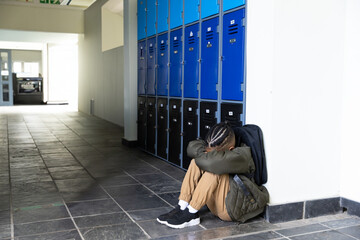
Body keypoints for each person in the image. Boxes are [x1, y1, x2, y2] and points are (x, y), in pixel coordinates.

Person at [156, 122, 257, 229]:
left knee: (214, 171)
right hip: (214, 205)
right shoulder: (216, 148)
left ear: (230, 149)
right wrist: (205, 152)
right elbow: (192, 147)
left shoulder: (241, 156)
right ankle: (182, 205)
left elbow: (212, 163)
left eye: (213, 153)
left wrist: (205, 154)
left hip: (231, 211)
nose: (208, 154)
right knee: (196, 161)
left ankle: (191, 213)